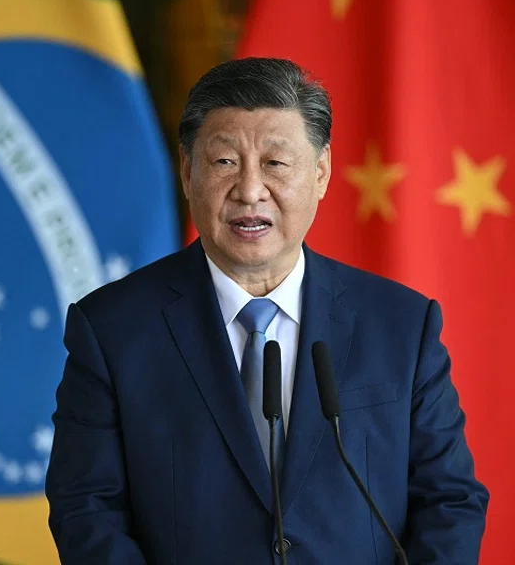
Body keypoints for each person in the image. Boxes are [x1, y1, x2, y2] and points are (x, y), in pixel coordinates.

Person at [45, 57, 489, 563]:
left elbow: (450, 501)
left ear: (320, 173)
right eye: (224, 162)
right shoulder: (112, 330)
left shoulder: (401, 326)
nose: (250, 190)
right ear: (188, 172)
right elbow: (86, 508)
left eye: (276, 164)